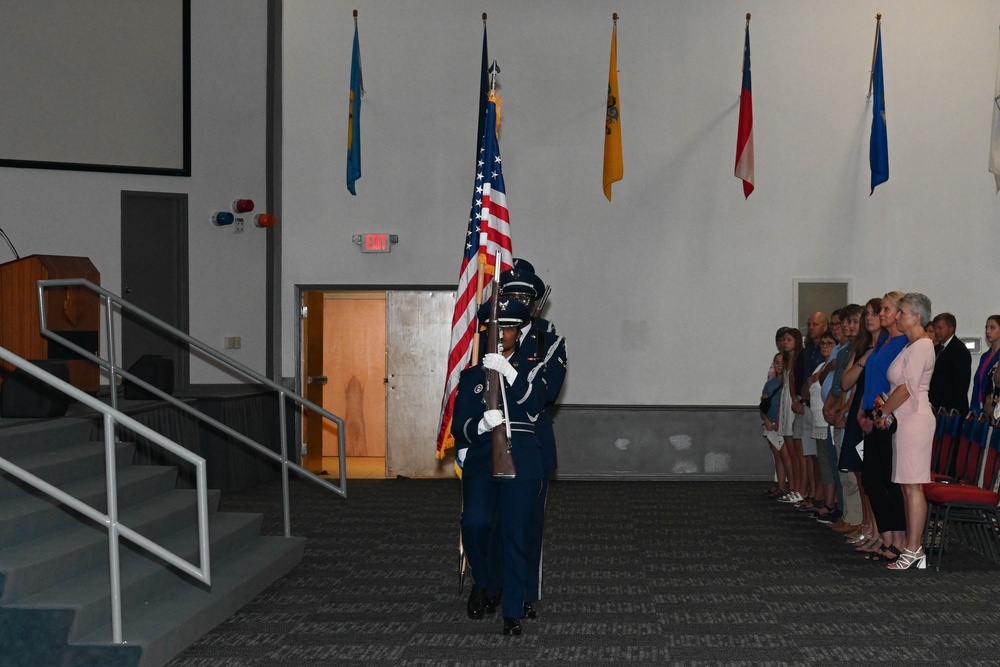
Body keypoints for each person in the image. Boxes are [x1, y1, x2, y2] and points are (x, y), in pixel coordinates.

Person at [453, 299, 546, 636]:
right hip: (481, 458)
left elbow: (537, 406)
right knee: (475, 523)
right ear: (485, 332)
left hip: (522, 457)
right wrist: (478, 426)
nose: (502, 334)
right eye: (495, 328)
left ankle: (512, 608)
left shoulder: (530, 372)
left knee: (516, 531)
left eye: (508, 328)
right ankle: (486, 581)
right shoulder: (471, 376)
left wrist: (511, 374)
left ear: (518, 332)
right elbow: (458, 425)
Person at [498, 263, 566, 618]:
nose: (519, 303)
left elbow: (548, 394)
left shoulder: (549, 342)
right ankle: (490, 584)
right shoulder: (485, 334)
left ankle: (522, 591)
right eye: (511, 296)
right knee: (487, 520)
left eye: (525, 297)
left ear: (536, 303)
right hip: (486, 441)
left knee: (526, 525)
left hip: (530, 446)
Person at [874, 293, 936, 570]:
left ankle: (914, 548)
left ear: (917, 317)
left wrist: (884, 410)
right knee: (907, 485)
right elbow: (895, 385)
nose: (898, 316)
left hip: (915, 418)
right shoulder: (910, 346)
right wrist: (883, 407)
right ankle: (914, 548)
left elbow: (908, 387)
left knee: (913, 486)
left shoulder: (923, 345)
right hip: (904, 417)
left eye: (902, 312)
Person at [855, 292, 908, 562]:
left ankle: (898, 541)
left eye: (887, 309)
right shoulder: (883, 342)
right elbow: (871, 382)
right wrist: (864, 412)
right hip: (873, 414)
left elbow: (898, 385)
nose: (882, 314)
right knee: (872, 479)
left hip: (888, 417)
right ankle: (886, 537)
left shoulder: (904, 344)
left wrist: (877, 413)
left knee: (888, 480)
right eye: (882, 309)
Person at [928, 313, 971, 415]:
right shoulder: (936, 349)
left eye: (940, 328)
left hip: (951, 410)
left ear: (951, 329)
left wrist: (950, 411)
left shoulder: (960, 351)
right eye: (935, 328)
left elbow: (961, 385)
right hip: (935, 407)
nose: (937, 331)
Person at [760, 353, 785, 497]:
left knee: (787, 457)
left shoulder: (790, 383)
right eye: (776, 362)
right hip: (771, 425)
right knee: (777, 457)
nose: (779, 365)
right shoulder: (770, 383)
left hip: (785, 425)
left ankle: (792, 487)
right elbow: (763, 405)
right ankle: (781, 486)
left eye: (782, 362)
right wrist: (767, 421)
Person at [972, 315, 1000, 414]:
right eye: (986, 327)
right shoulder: (985, 356)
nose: (988, 331)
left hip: (994, 410)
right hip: (979, 406)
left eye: (992, 328)